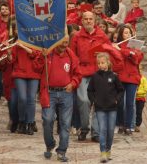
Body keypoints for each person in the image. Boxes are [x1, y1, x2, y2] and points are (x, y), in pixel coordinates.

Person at [38, 36, 82, 162]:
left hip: (66, 93)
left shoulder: (71, 56)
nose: (64, 44)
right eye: (62, 41)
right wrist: (42, 57)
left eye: (66, 42)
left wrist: (72, 84)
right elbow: (37, 68)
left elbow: (78, 74)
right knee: (47, 119)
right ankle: (50, 144)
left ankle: (62, 151)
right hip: (49, 93)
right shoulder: (48, 53)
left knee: (65, 124)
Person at [70, 11, 111, 142]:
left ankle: (96, 131)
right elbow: (72, 54)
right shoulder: (77, 36)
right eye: (85, 19)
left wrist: (103, 55)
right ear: (82, 21)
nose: (88, 21)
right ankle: (84, 127)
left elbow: (109, 51)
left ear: (94, 21)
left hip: (98, 72)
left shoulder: (102, 35)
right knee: (83, 100)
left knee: (99, 101)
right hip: (82, 71)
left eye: (90, 19)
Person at [87, 52, 124, 163]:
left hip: (112, 107)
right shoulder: (94, 76)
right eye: (98, 63)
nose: (100, 65)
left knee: (110, 130)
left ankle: (108, 149)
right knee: (102, 129)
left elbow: (121, 90)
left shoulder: (114, 76)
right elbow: (90, 90)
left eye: (102, 62)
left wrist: (117, 99)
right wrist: (94, 100)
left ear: (108, 62)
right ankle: (103, 151)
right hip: (100, 108)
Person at [114, 24, 143, 135]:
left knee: (130, 103)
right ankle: (119, 124)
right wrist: (116, 49)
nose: (128, 35)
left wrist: (122, 50)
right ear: (121, 34)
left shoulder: (135, 45)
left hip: (132, 77)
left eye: (129, 33)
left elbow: (136, 58)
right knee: (120, 103)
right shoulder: (117, 45)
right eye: (125, 33)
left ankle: (128, 125)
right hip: (120, 77)